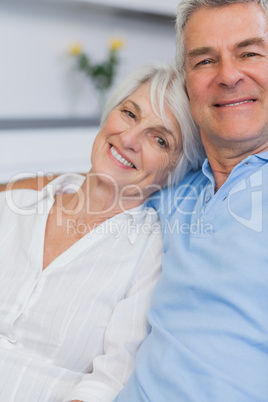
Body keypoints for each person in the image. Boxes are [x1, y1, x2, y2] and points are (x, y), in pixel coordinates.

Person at [0, 63, 204, 402]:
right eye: (129, 114)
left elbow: (109, 380)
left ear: (174, 169)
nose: (128, 139)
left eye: (159, 139)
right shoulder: (14, 205)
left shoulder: (149, 254)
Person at [114, 1, 268, 401]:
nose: (228, 76)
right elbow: (86, 191)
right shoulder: (170, 189)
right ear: (186, 82)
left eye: (249, 53)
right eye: (204, 61)